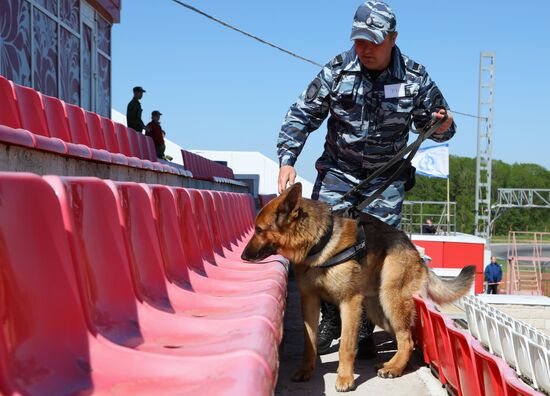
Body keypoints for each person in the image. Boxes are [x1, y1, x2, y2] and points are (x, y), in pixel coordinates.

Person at [276, 1, 457, 359]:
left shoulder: (415, 77)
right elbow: (301, 114)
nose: (365, 49)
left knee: (374, 258)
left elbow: (437, 127)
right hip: (338, 175)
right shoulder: (337, 70)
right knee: (321, 251)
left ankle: (360, 330)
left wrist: (444, 125)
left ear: (392, 38)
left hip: (384, 182)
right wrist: (287, 159)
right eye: (359, 41)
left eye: (373, 41)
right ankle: (330, 319)